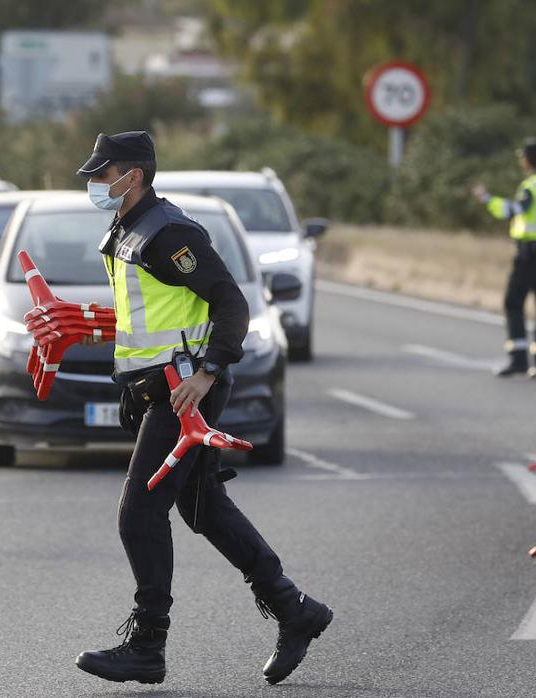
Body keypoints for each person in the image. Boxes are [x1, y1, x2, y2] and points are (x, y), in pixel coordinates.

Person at [72, 131, 332, 686]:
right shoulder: (128, 228)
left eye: (104, 173)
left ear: (133, 175)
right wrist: (117, 358)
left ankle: (147, 646)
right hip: (160, 387)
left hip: (186, 390)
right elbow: (149, 317)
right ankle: (295, 610)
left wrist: (209, 370)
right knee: (202, 508)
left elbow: (231, 302)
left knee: (139, 512)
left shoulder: (170, 234)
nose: (96, 183)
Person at [472, 139, 536, 379]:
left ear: (526, 160)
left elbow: (512, 210)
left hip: (531, 253)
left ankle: (518, 359)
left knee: (513, 302)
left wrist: (486, 199)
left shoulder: (532, 187)